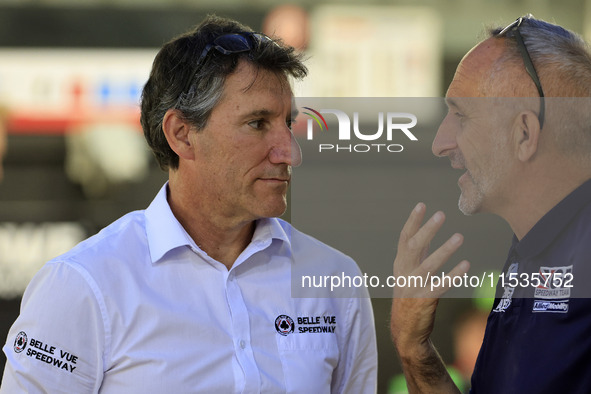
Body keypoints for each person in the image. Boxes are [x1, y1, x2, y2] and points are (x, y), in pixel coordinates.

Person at [1, 16, 377, 392]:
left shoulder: (334, 280)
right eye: (258, 123)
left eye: (288, 124)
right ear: (181, 134)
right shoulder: (83, 284)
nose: (290, 153)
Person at [390, 14, 591, 393]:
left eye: (461, 116)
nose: (440, 144)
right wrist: (413, 348)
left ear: (525, 134)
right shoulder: (530, 252)